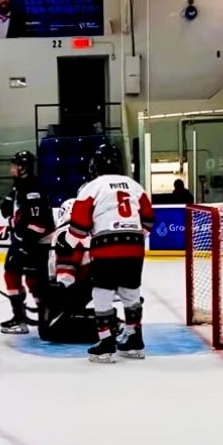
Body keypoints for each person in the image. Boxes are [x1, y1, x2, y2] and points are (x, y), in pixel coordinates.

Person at [68, 144, 154, 363]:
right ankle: (135, 341)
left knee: (102, 293)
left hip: (106, 247)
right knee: (131, 293)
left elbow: (78, 226)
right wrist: (131, 235)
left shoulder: (92, 186)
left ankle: (106, 343)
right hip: (135, 246)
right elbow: (149, 221)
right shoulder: (135, 186)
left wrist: (80, 238)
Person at [0, 151, 55, 334]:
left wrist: (25, 246)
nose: (11, 169)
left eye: (14, 165)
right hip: (23, 241)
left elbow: (40, 224)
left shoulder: (33, 190)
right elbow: (7, 213)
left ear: (23, 168)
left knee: (34, 280)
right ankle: (20, 318)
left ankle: (45, 316)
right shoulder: (20, 188)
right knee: (11, 274)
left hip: (35, 244)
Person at [39, 198, 96, 343]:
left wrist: (59, 294)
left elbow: (67, 270)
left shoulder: (66, 233)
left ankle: (104, 324)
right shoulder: (84, 231)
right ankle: (104, 320)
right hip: (89, 284)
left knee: (49, 331)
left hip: (76, 287)